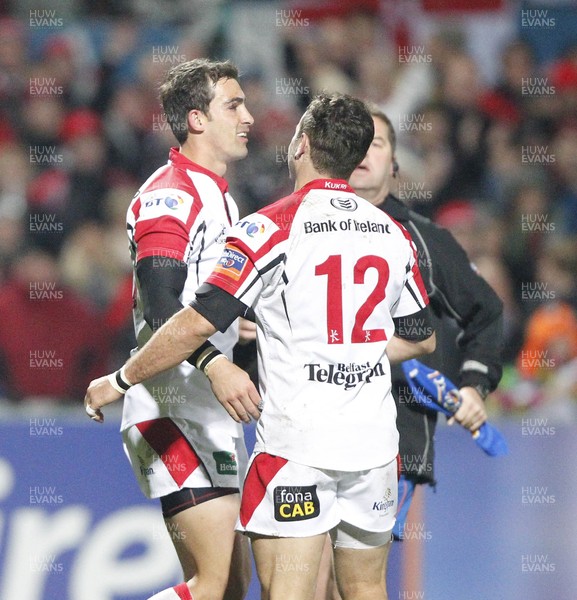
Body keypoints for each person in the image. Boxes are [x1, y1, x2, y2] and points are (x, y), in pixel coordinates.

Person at [85, 92, 435, 600]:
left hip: (297, 448)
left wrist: (120, 379)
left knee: (283, 592)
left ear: (301, 146)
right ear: (359, 160)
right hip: (374, 449)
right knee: (366, 589)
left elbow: (194, 323)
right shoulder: (391, 234)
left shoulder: (269, 228)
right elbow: (421, 336)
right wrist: (352, 354)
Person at [310, 106, 500, 598]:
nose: (365, 153)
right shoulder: (299, 230)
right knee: (310, 580)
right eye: (357, 142)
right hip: (304, 432)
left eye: (377, 144)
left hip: (394, 439)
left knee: (352, 581)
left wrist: (475, 385)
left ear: (395, 164)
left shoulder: (423, 238)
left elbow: (487, 312)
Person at [89, 59, 255, 600]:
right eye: (234, 105)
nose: (248, 117)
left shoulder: (220, 195)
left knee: (228, 587)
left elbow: (197, 303)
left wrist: (241, 333)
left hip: (204, 411)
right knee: (210, 586)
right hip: (169, 409)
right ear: (196, 119)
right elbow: (162, 305)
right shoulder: (172, 193)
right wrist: (217, 362)